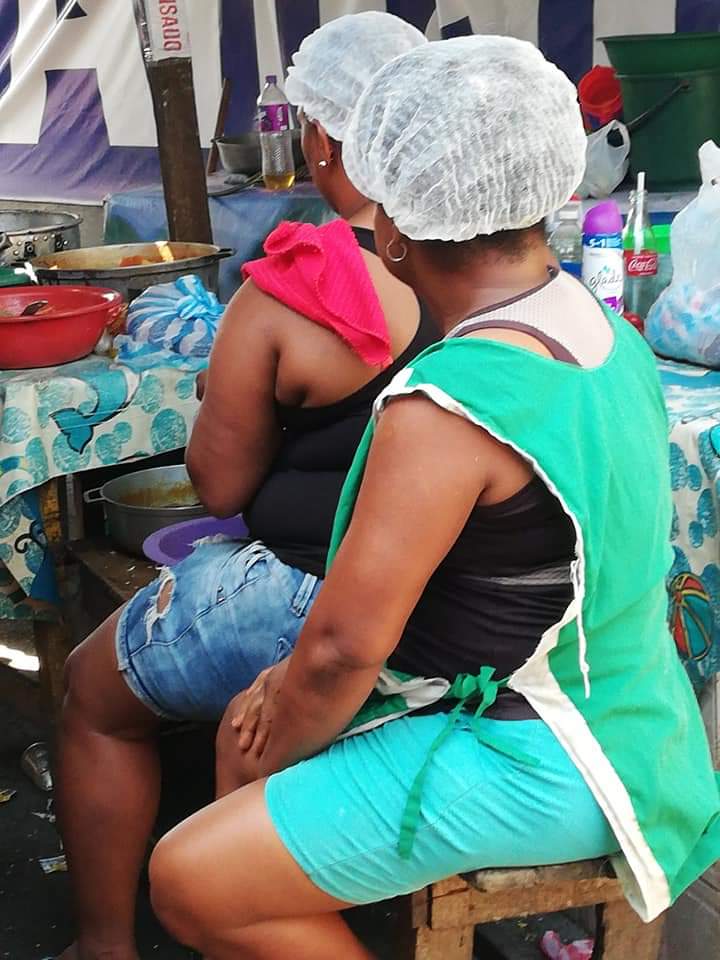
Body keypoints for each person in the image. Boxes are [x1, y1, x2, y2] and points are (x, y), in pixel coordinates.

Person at [148, 35, 720, 960]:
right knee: (251, 741)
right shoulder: (602, 327)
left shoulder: (449, 403)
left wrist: (282, 730)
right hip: (637, 724)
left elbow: (338, 650)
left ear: (395, 228)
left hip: (550, 755)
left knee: (189, 875)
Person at [55, 13, 434, 960]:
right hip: (458, 596)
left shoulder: (297, 284)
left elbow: (216, 484)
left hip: (317, 600)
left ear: (325, 137)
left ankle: (104, 945)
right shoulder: (486, 266)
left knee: (91, 695)